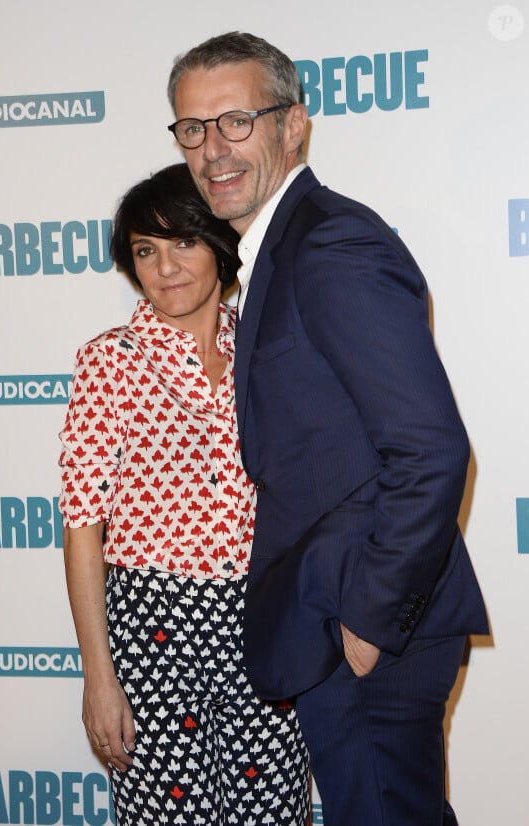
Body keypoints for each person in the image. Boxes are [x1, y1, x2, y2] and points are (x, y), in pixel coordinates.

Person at [166, 32, 490, 826]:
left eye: (237, 120)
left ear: (294, 125)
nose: (213, 150)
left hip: (373, 631)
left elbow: (431, 448)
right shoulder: (278, 247)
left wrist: (368, 623)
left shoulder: (328, 242)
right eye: (192, 129)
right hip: (337, 620)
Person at [59, 162, 310, 826]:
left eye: (183, 242)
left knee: (272, 810)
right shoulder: (109, 360)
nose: (164, 266)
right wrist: (99, 674)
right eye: (146, 249)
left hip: (260, 616)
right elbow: (82, 525)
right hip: (151, 625)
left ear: (219, 246)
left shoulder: (265, 353)